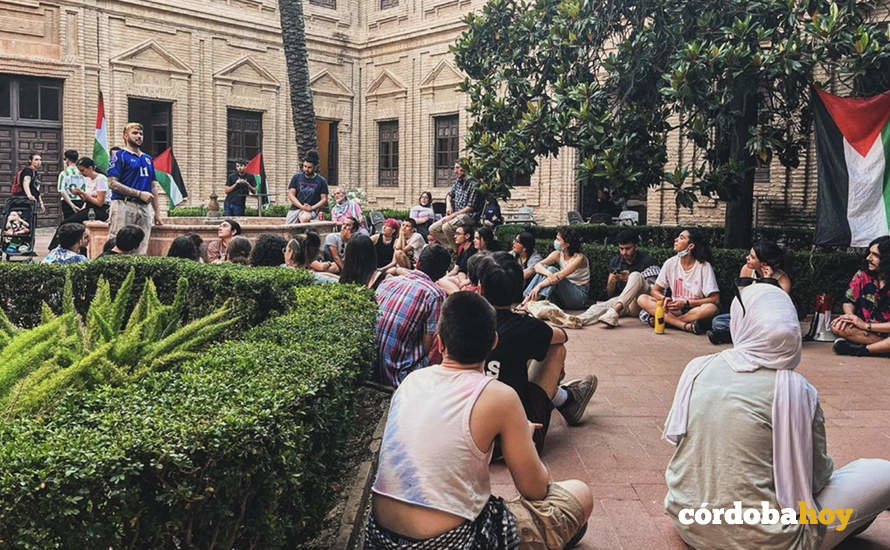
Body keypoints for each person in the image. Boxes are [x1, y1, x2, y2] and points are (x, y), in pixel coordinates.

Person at [664, 282, 890, 550]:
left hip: (688, 520)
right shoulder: (796, 390)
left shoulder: (697, 368)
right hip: (768, 540)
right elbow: (817, 479)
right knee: (881, 473)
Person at [366, 291, 593, 549]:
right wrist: (523, 438)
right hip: (454, 542)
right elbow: (536, 490)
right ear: (494, 341)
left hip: (380, 538)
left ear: (440, 343)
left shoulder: (412, 381)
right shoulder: (500, 396)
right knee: (579, 493)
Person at [481, 252, 597, 453]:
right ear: (519, 290)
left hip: (472, 434)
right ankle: (565, 399)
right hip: (517, 441)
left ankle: (566, 398)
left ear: (481, 288)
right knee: (553, 347)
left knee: (519, 350)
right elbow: (561, 336)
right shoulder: (525, 326)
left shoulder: (467, 319)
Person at [374, 244, 451, 386]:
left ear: (419, 263)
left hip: (370, 369)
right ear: (442, 274)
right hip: (400, 376)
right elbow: (430, 346)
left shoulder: (388, 281)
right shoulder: (435, 294)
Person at [708, 241, 793, 345]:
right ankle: (748, 337)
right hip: (748, 315)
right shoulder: (747, 270)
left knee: (773, 330)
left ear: (763, 263)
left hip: (768, 320)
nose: (747, 258)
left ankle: (729, 336)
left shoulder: (783, 280)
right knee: (718, 322)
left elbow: (775, 309)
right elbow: (742, 298)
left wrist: (767, 281)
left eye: (752, 257)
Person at [637, 228, 719, 334]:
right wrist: (664, 298)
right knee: (642, 299)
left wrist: (686, 303)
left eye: (681, 238)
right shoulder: (670, 263)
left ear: (691, 246)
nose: (676, 240)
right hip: (673, 308)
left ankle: (667, 322)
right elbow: (654, 291)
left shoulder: (704, 266)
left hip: (693, 309)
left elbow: (715, 299)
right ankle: (684, 326)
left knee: (711, 308)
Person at [580, 229, 660, 327]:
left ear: (636, 246)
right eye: (621, 249)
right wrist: (612, 282)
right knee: (599, 307)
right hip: (622, 303)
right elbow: (609, 294)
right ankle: (576, 320)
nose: (624, 252)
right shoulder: (616, 261)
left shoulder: (648, 261)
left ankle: (614, 312)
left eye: (627, 248)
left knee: (635, 275)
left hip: (640, 303)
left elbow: (654, 290)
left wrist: (630, 277)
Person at [106, 122, 163, 255]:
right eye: (135, 133)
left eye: (141, 134)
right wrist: (138, 193)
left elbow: (153, 186)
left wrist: (158, 213)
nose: (139, 136)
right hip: (123, 204)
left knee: (142, 246)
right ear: (125, 136)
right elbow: (113, 183)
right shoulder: (118, 155)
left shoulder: (148, 158)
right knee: (118, 242)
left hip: (144, 207)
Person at [831, 236, 890, 356]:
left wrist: (864, 325)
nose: (869, 258)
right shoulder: (862, 275)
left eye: (875, 255)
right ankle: (881, 348)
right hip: (869, 332)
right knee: (838, 326)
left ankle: (862, 350)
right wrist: (850, 317)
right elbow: (848, 300)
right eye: (869, 253)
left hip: (881, 329)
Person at [47, 157, 111, 251]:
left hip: (100, 210)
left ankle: (57, 248)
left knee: (66, 223)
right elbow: (87, 199)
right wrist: (79, 194)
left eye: (83, 170)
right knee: (69, 224)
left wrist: (83, 193)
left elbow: (99, 202)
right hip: (89, 207)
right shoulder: (88, 179)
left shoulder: (101, 179)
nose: (82, 173)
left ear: (90, 168)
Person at [523, 226, 590, 310]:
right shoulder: (557, 254)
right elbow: (537, 266)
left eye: (558, 240)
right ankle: (525, 301)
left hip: (578, 297)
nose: (555, 242)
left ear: (567, 244)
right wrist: (548, 273)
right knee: (547, 269)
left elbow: (559, 276)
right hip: (563, 296)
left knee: (552, 270)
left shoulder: (579, 258)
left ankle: (529, 304)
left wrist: (539, 286)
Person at [429, 160, 484, 252]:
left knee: (446, 227)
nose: (455, 171)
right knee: (432, 229)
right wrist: (448, 206)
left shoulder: (474, 184)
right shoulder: (458, 181)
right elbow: (449, 195)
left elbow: (470, 208)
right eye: (455, 168)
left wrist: (452, 216)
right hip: (457, 215)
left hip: (470, 216)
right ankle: (454, 247)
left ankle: (457, 253)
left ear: (465, 169)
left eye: (458, 168)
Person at [286, 150, 328, 224]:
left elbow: (324, 199)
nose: (306, 169)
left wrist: (311, 208)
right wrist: (302, 207)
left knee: (304, 218)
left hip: (312, 210)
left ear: (315, 167)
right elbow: (291, 195)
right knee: (288, 227)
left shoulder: (321, 181)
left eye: (309, 167)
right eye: (305, 166)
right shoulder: (296, 177)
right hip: (295, 209)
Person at [437, 224, 477, 294]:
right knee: (440, 281)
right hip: (460, 279)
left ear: (467, 236)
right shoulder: (461, 249)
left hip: (468, 281)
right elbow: (455, 269)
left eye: (458, 234)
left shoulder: (474, 251)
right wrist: (444, 277)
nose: (455, 236)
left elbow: (471, 275)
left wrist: (462, 281)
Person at [57, 149, 84, 219]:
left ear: (67, 159)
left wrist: (72, 205)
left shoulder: (64, 173)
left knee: (69, 224)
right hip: (81, 201)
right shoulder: (83, 172)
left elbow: (61, 191)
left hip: (68, 202)